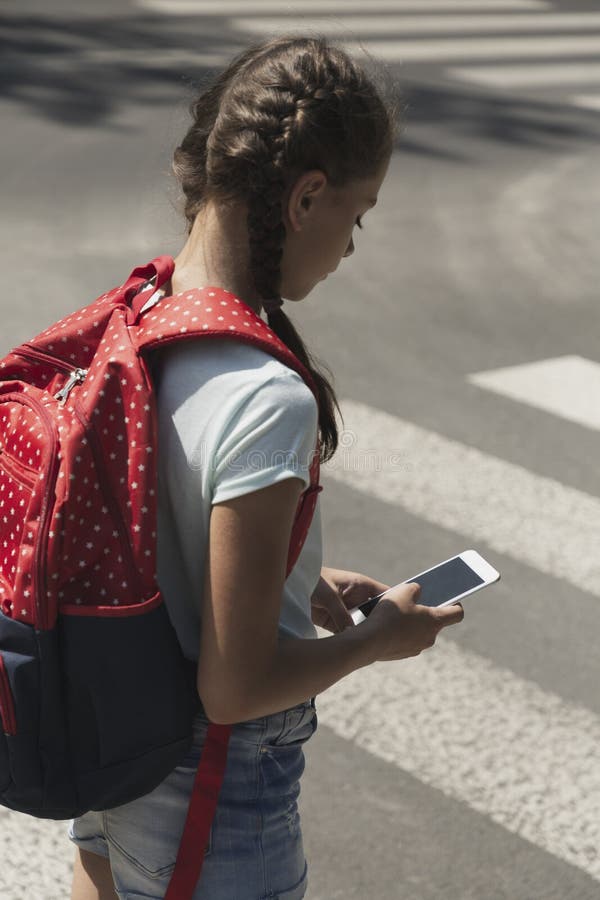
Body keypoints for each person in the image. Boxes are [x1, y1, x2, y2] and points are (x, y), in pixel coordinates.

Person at [68, 35, 464, 900]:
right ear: (305, 196)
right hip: (212, 801)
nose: (352, 247)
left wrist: (296, 584)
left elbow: (164, 525)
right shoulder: (265, 397)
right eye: (356, 217)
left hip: (107, 750)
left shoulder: (137, 318)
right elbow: (237, 685)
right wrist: (375, 640)